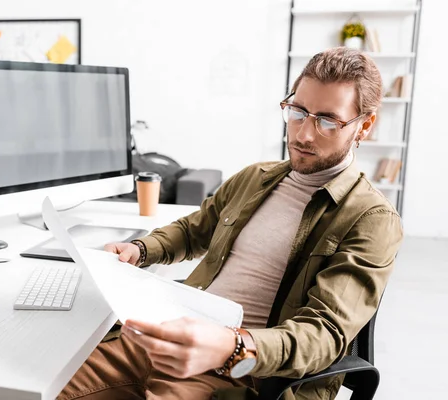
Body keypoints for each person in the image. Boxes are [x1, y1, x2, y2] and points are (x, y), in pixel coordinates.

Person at [58, 47, 403, 400]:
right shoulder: (256, 177)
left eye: (328, 121)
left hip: (244, 372)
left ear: (364, 125)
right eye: (298, 112)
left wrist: (231, 346)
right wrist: (141, 249)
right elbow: (195, 229)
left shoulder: (372, 220)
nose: (304, 135)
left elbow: (323, 334)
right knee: (40, 388)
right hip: (169, 334)